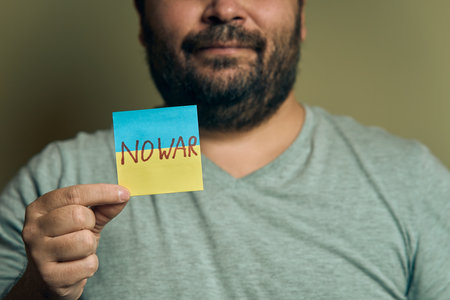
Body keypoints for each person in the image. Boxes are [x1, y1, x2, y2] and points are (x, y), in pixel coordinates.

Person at [1, 0, 449, 299]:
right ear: (142, 21)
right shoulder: (53, 182)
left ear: (302, 16)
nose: (225, 8)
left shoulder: (412, 181)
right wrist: (35, 293)